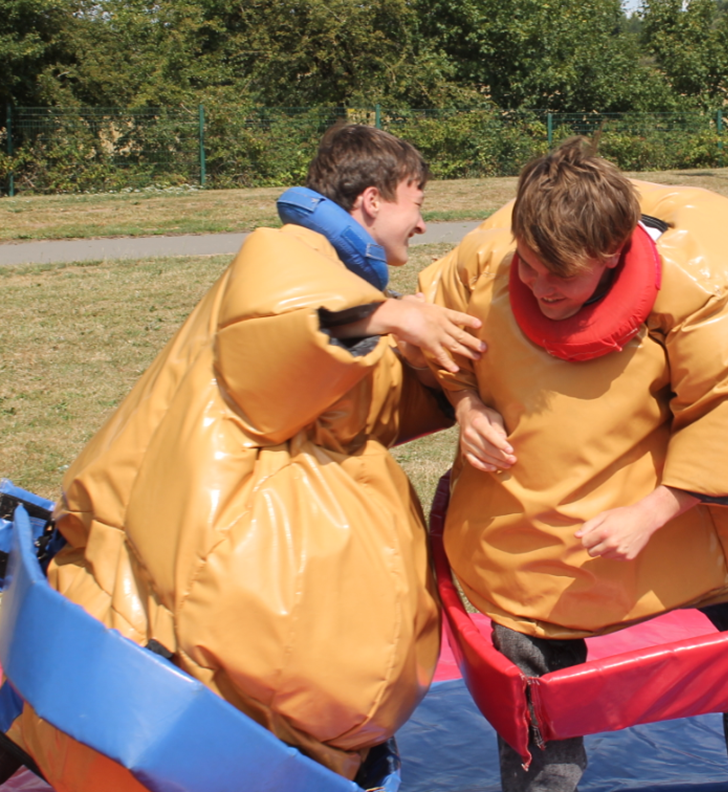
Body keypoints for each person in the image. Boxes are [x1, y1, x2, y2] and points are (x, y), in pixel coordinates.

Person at [2, 124, 485, 790]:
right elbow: (285, 325)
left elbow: (356, 405)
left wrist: (462, 395)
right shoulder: (288, 256)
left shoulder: (334, 279)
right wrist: (390, 317)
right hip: (159, 614)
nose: (424, 222)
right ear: (371, 200)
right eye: (416, 200)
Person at [418, 138, 728, 792]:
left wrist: (654, 511)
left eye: (560, 276)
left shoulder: (715, 286)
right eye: (528, 266)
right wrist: (469, 406)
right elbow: (437, 329)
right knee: (526, 630)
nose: (536, 285)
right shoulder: (491, 260)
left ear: (613, 255)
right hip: (575, 492)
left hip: (711, 505)